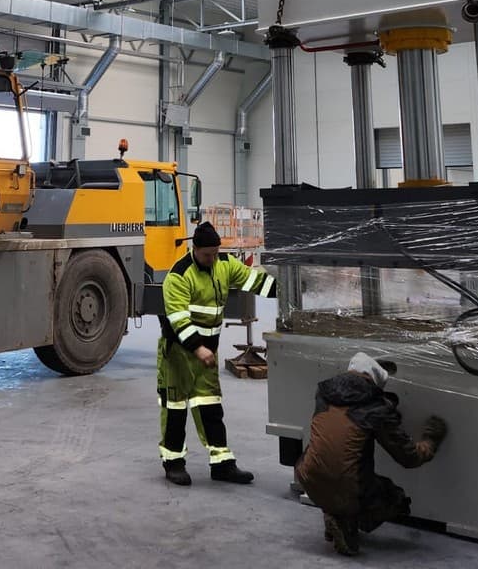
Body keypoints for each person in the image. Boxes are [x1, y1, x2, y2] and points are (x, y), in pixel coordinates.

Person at [158, 221, 277, 486]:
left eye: (215, 254)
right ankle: (173, 463)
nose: (212, 260)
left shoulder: (223, 265)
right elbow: (178, 320)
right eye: (206, 255)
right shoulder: (179, 275)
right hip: (178, 352)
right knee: (175, 408)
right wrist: (198, 348)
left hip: (206, 354)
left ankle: (222, 463)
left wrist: (287, 288)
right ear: (194, 249)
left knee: (211, 406)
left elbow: (254, 280)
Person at [295, 353, 446, 557]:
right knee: (395, 499)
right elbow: (409, 457)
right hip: (344, 485)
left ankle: (333, 512)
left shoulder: (324, 393)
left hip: (308, 478)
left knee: (332, 455)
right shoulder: (376, 408)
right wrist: (431, 439)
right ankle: (346, 522)